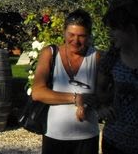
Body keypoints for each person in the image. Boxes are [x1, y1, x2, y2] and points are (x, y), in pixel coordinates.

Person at [32, 8, 100, 154]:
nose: (75, 40)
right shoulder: (50, 53)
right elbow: (37, 92)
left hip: (87, 136)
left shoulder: (96, 57)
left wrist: (92, 102)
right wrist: (76, 98)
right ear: (64, 32)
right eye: (71, 34)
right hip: (55, 136)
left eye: (81, 36)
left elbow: (105, 94)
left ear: (88, 36)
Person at [97, 0, 138, 154]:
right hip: (115, 142)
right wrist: (102, 108)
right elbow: (98, 91)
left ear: (131, 29)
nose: (111, 34)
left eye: (114, 28)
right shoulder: (112, 58)